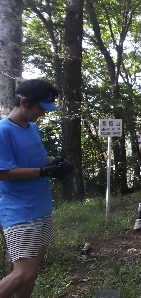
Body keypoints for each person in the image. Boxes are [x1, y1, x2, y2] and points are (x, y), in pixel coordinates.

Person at [0, 79, 73, 298]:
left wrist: (55, 162)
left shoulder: (32, 127)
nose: (44, 113)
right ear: (24, 102)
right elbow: (3, 172)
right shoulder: (3, 131)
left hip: (41, 208)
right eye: (41, 108)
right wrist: (43, 171)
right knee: (22, 273)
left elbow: (38, 157)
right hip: (20, 213)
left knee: (31, 273)